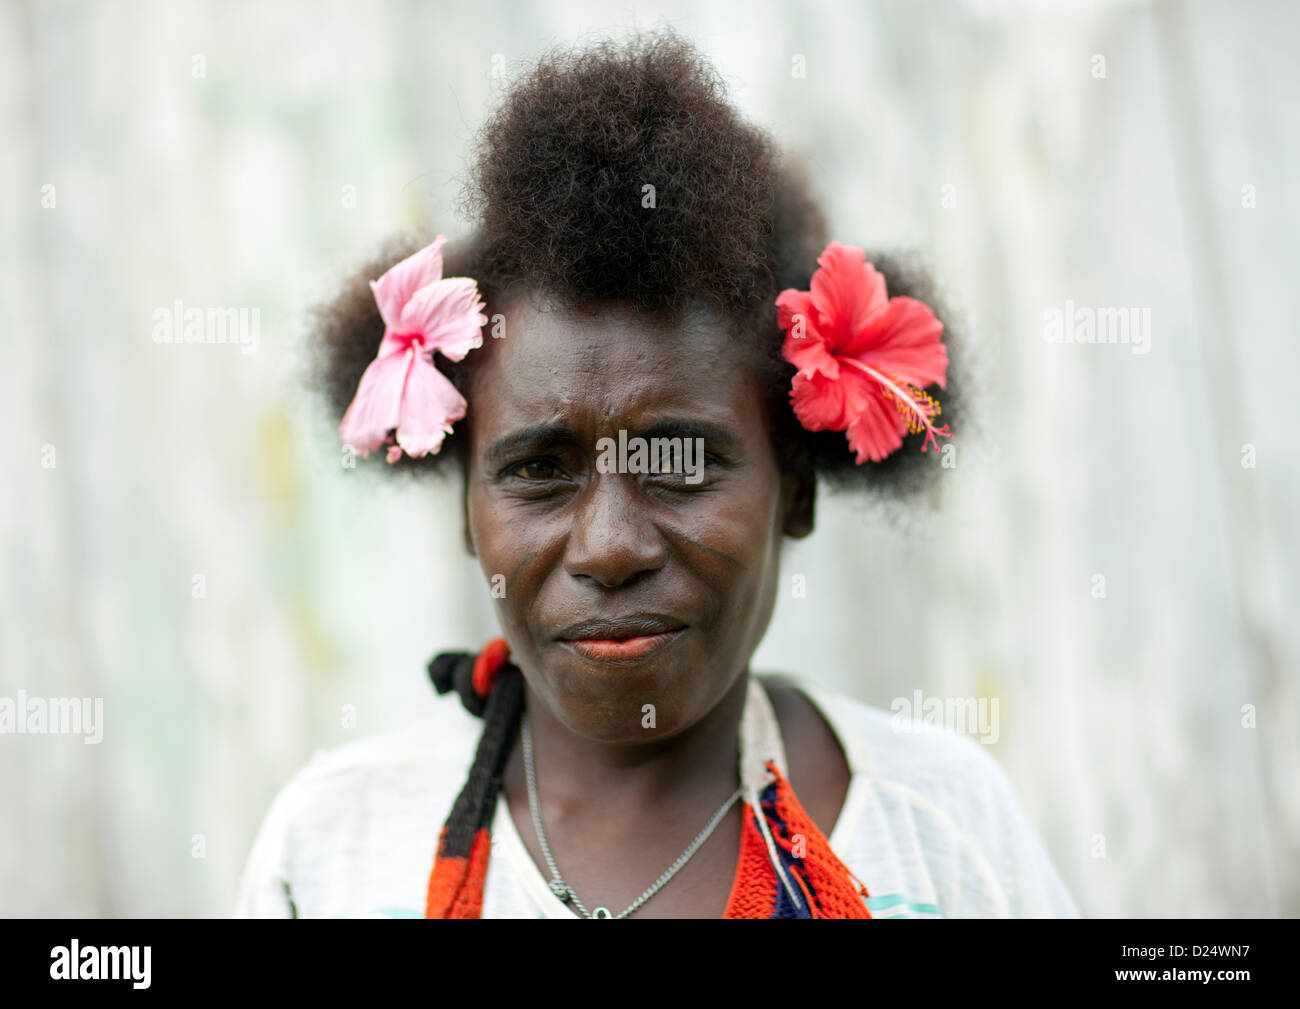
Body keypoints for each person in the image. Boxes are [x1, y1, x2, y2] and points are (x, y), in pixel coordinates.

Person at [234, 28, 1078, 919]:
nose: (609, 548)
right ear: (464, 504)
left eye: (679, 464)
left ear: (797, 486)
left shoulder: (942, 828)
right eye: (538, 470)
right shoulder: (336, 852)